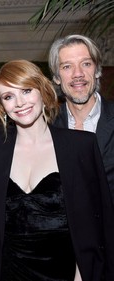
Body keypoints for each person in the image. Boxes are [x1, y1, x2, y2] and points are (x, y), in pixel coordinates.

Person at [0, 60, 114, 281]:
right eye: (8, 97)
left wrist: (81, 275)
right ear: (1, 106)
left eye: (26, 91)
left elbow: (97, 222)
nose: (19, 103)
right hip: (5, 273)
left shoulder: (80, 146)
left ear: (42, 90)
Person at [50, 34, 114, 205]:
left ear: (97, 70)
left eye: (86, 64)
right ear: (57, 77)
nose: (78, 74)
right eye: (67, 67)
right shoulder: (46, 127)